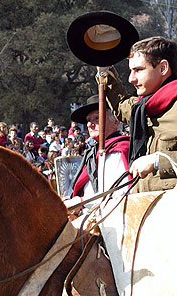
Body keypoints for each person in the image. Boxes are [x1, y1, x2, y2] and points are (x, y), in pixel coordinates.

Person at [98, 36, 177, 192]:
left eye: (139, 70)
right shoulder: (142, 107)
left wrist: (157, 161)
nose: (131, 79)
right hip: (143, 207)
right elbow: (121, 105)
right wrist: (104, 69)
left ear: (163, 68)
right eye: (130, 71)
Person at [64, 94, 130, 212]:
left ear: (115, 121)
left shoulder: (121, 149)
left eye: (97, 118)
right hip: (88, 215)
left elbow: (118, 194)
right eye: (88, 120)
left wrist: (81, 202)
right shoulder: (91, 153)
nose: (89, 124)